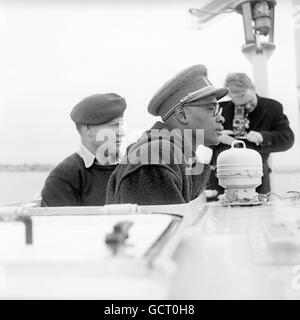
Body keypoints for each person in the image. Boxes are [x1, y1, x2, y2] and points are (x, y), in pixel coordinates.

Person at [105, 64, 229, 205]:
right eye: (211, 108)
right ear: (182, 115)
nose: (221, 118)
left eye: (218, 110)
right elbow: (157, 225)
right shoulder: (156, 157)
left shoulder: (179, 156)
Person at [207, 72, 294, 197]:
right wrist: (216, 137)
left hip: (257, 180)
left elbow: (287, 139)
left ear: (253, 89)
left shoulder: (273, 108)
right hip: (220, 180)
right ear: (231, 98)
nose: (247, 106)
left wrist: (262, 137)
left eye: (249, 101)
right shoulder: (219, 109)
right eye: (241, 105)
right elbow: (196, 136)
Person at [41, 93, 126, 206]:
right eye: (114, 126)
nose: (122, 133)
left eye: (121, 125)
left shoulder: (131, 168)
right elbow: (61, 223)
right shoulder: (63, 177)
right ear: (88, 129)